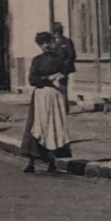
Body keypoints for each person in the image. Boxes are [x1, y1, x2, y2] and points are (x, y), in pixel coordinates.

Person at [22, 31, 73, 173]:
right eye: (42, 43)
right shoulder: (37, 60)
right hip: (40, 95)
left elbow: (65, 75)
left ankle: (52, 161)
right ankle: (31, 161)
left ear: (52, 42)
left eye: (47, 42)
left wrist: (61, 77)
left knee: (53, 125)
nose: (45, 46)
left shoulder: (59, 59)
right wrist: (47, 78)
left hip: (54, 95)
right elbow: (32, 80)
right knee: (36, 125)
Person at [51, 21, 77, 109]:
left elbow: (71, 55)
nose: (57, 34)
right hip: (54, 68)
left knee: (62, 86)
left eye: (58, 32)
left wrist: (64, 67)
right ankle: (59, 106)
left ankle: (64, 107)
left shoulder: (66, 42)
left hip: (64, 68)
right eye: (56, 32)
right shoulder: (52, 43)